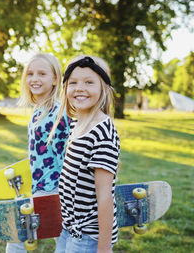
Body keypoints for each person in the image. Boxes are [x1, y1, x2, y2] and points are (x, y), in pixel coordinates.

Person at [49, 56, 120, 253]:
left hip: (89, 236)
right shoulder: (77, 125)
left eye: (89, 82)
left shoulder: (102, 132)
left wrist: (104, 249)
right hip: (70, 228)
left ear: (104, 88)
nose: (80, 88)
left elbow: (105, 197)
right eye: (73, 82)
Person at [6, 53, 71, 253]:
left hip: (57, 190)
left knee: (20, 235)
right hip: (39, 187)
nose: (35, 78)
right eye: (30, 74)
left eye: (42, 74)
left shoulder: (61, 111)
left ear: (54, 79)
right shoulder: (37, 110)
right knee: (20, 235)